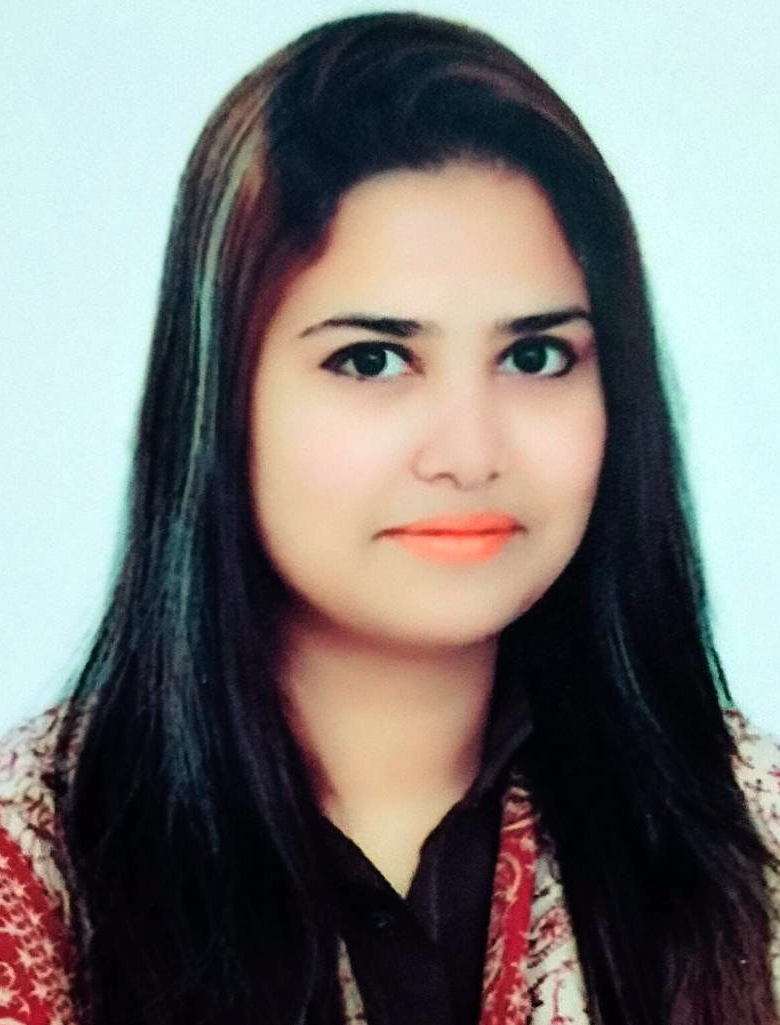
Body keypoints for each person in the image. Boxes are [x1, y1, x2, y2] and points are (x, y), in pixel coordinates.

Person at [1, 10, 779, 1025]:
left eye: (535, 355)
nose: (469, 451)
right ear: (218, 397)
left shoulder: (751, 831)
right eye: (372, 359)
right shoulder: (32, 868)